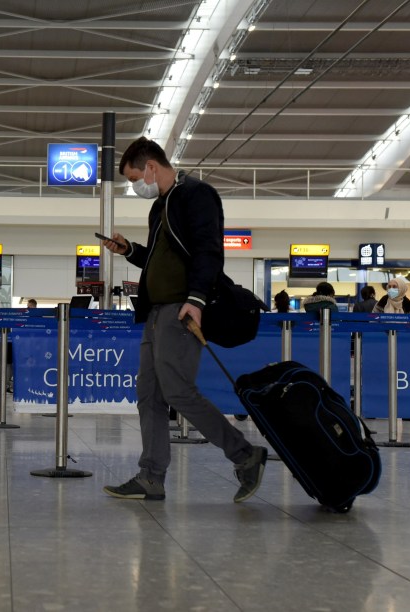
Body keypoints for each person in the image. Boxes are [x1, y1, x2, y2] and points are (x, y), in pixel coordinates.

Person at [99, 136, 267, 504]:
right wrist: (129, 251)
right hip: (155, 312)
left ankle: (245, 455)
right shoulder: (160, 206)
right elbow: (163, 261)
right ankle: (151, 477)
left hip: (181, 310)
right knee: (149, 395)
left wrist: (196, 299)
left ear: (151, 168)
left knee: (177, 392)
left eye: (133, 179)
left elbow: (209, 251)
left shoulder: (197, 195)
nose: (134, 186)